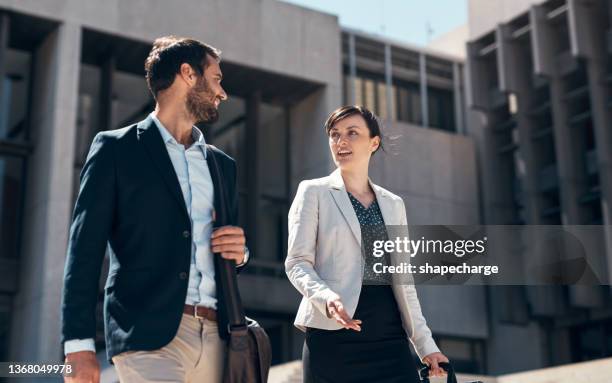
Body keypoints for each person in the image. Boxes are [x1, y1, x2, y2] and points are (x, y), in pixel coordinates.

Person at [62, 36, 249, 383]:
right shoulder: (115, 149)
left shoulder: (223, 167)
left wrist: (241, 253)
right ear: (187, 74)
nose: (222, 93)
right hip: (147, 334)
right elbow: (84, 251)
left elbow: (225, 252)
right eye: (217, 79)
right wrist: (78, 344)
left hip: (218, 337)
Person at [285, 105, 449, 382]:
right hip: (332, 336)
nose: (341, 141)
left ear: (374, 142)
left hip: (388, 335)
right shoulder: (313, 192)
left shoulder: (393, 204)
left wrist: (426, 346)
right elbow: (297, 263)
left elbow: (404, 281)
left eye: (352, 133)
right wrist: (326, 298)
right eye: (335, 134)